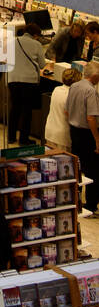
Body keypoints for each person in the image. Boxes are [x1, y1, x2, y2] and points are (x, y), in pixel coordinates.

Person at [65, 63, 99, 215]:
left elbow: (66, 111)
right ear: (95, 76)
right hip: (87, 134)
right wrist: (97, 139)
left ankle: (75, 199)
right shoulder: (91, 91)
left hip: (74, 130)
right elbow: (91, 118)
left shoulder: (74, 86)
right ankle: (90, 205)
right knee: (92, 170)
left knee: (76, 167)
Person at [7, 22, 44, 145]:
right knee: (27, 111)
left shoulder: (12, 42)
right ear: (35, 35)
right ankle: (23, 139)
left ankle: (11, 136)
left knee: (15, 108)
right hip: (29, 81)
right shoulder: (37, 44)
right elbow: (42, 64)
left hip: (13, 78)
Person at [44, 68, 79, 149]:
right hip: (62, 134)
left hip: (50, 130)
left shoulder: (56, 89)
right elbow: (70, 115)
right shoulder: (72, 94)